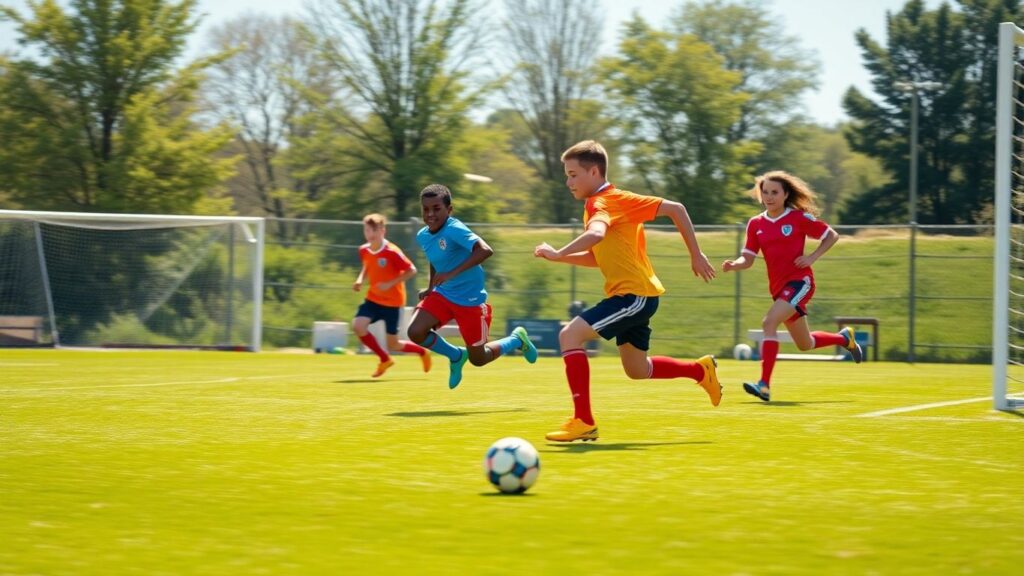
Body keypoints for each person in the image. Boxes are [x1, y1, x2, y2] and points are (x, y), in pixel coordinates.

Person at [533, 140, 721, 443]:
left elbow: (596, 234)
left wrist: (696, 254)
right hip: (638, 296)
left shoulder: (602, 203)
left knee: (569, 335)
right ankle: (700, 371)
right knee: (637, 369)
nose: (568, 182)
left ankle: (584, 420)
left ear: (593, 171)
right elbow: (599, 255)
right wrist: (560, 256)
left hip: (633, 297)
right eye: (566, 175)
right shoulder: (615, 199)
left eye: (572, 174)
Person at [721, 171, 863, 402]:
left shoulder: (797, 218)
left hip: (800, 282)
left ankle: (764, 385)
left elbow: (831, 236)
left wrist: (812, 257)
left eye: (774, 192)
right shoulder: (755, 224)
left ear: (785, 194)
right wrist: (733, 265)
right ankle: (844, 338)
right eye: (765, 192)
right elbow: (747, 259)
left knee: (769, 322)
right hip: (778, 289)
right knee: (805, 344)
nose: (769, 196)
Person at [405, 184, 538, 389]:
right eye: (425, 209)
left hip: (470, 301)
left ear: (449, 210)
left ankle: (516, 340)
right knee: (415, 332)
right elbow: (435, 259)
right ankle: (456, 356)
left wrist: (450, 274)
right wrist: (431, 286)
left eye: (436, 208)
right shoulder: (423, 235)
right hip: (443, 294)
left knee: (479, 359)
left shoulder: (454, 228)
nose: (430, 214)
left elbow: (485, 250)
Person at [352, 213, 431, 378]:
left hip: (393, 304)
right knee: (358, 326)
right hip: (373, 299)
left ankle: (422, 352)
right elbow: (367, 266)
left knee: (393, 344)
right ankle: (384, 359)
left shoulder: (392, 252)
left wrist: (389, 283)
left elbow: (412, 270)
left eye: (373, 230)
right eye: (367, 230)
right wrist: (360, 279)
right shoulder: (364, 250)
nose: (370, 234)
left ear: (382, 231)